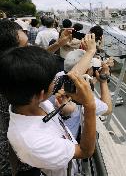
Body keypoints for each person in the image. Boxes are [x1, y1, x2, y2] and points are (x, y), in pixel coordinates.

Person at [0, 42, 98, 176]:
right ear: (40, 94)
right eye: (53, 81)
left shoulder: (23, 98)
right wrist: (89, 105)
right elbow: (85, 151)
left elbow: (71, 76)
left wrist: (90, 52)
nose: (57, 82)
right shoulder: (33, 142)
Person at [0, 19, 75, 176]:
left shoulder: (10, 75)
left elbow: (31, 64)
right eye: (25, 46)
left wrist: (59, 43)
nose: (30, 48)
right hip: (21, 165)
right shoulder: (21, 87)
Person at [54, 48, 112, 139]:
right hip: (70, 145)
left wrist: (96, 78)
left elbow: (80, 79)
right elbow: (107, 109)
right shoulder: (81, 95)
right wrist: (103, 81)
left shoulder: (59, 76)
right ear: (87, 71)